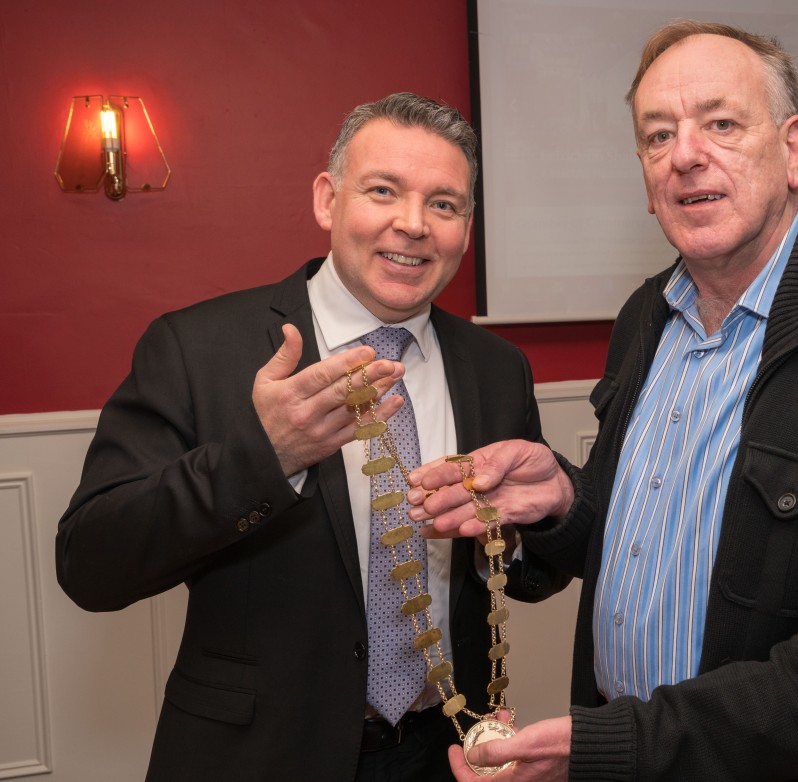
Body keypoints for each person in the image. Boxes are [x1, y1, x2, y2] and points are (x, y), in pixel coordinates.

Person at [408, 20, 798, 781]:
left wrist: (616, 746)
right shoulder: (646, 315)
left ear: (793, 148)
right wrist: (566, 504)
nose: (686, 154)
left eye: (722, 123)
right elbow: (648, 542)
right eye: (658, 134)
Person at [55, 92, 567, 782]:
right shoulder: (197, 348)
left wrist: (542, 519)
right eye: (383, 191)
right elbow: (92, 564)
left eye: (444, 205)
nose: (413, 224)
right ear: (328, 199)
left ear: (466, 227)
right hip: (258, 759)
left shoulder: (496, 369)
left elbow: (532, 576)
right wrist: (265, 457)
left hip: (443, 755)